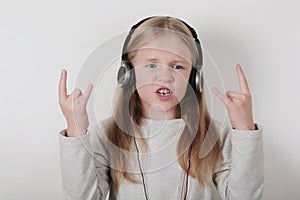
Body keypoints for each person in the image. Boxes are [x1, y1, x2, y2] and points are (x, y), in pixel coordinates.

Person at [58, 16, 264, 200]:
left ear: (194, 79)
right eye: (151, 65)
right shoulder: (108, 135)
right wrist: (76, 130)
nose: (165, 77)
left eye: (178, 66)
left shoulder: (214, 135)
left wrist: (244, 130)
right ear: (127, 75)